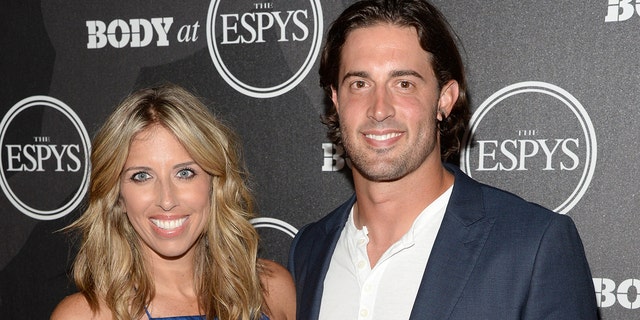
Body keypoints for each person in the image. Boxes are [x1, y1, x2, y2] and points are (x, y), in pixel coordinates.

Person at [287, 0, 598, 319]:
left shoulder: (533, 246)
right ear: (336, 101)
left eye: (403, 84)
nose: (379, 108)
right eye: (360, 84)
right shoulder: (310, 248)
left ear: (444, 99)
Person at [51, 84, 296, 320]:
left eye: (184, 173)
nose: (166, 200)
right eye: (142, 176)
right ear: (118, 196)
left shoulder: (273, 291)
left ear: (214, 184)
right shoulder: (84, 315)